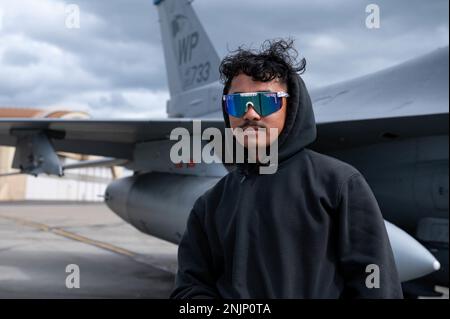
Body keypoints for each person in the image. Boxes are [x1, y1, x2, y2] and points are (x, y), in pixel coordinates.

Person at [170, 39, 403, 299]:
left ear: (291, 107)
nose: (251, 114)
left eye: (266, 102)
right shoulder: (211, 203)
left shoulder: (339, 184)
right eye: (237, 103)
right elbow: (190, 289)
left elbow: (375, 285)